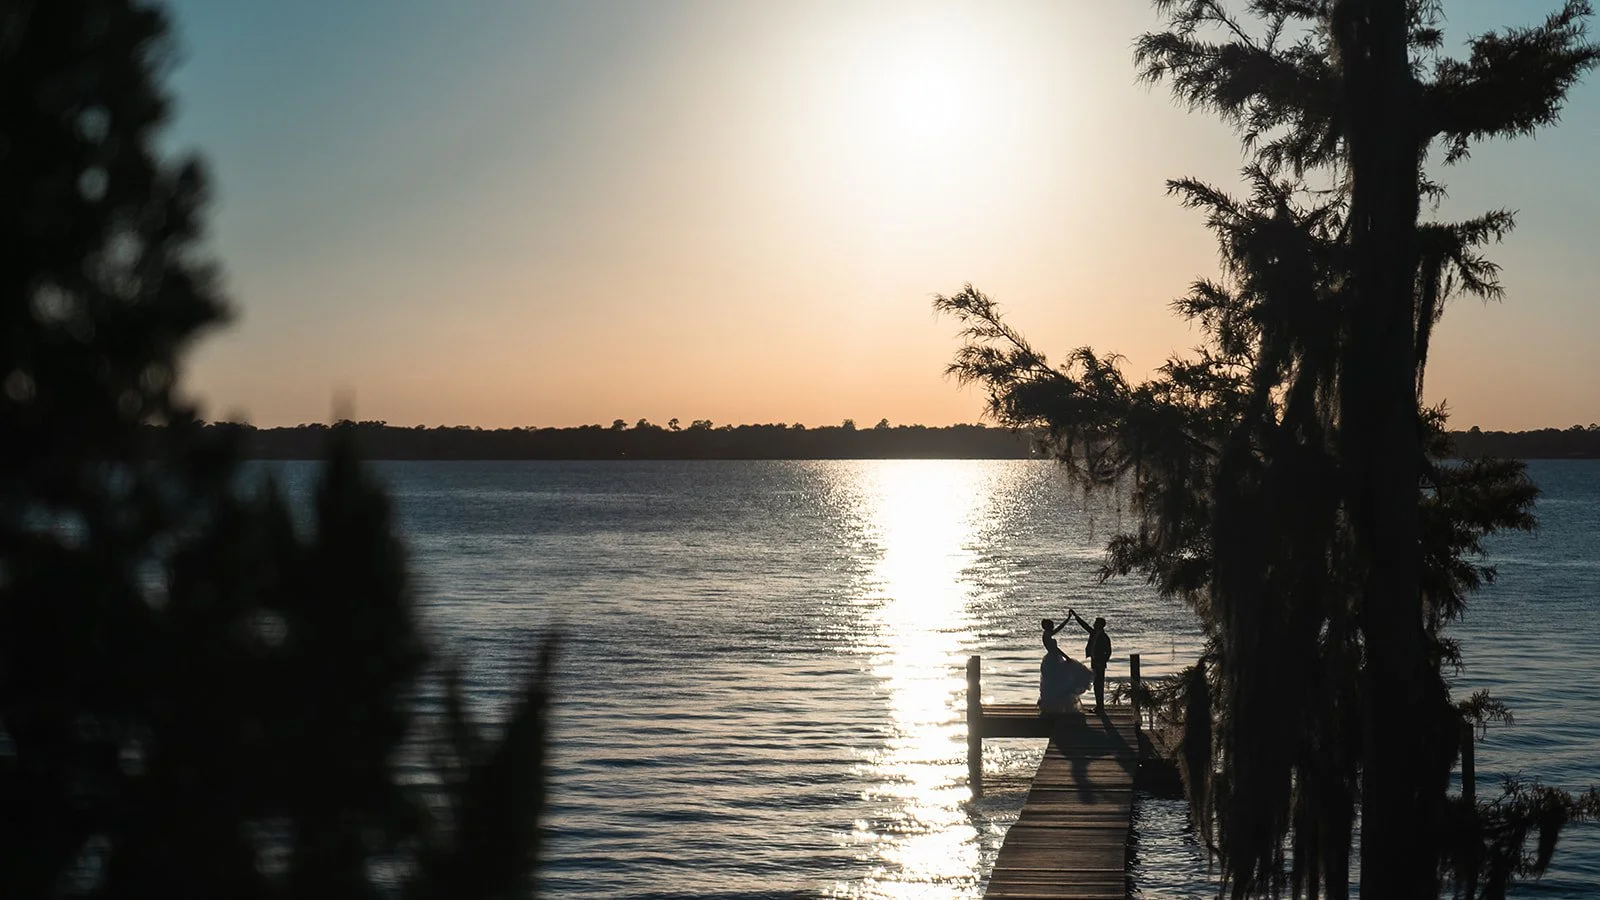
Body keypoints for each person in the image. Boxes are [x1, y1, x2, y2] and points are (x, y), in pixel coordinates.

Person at [1068, 608, 1113, 713]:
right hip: (1094, 661)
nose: (1093, 624)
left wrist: (1102, 662)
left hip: (1099, 663)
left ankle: (1100, 707)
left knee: (1099, 684)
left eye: (1096, 623)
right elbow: (1085, 626)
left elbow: (1108, 651)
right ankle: (1099, 706)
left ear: (1100, 625)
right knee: (1097, 684)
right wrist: (1076, 616)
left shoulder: (1104, 637)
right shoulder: (1094, 633)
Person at [1037, 630, 1091, 714]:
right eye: (1050, 626)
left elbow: (1059, 628)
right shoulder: (1046, 636)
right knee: (1055, 682)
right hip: (1052, 660)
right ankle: (1052, 706)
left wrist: (1067, 619)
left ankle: (1058, 706)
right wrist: (1066, 657)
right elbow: (1055, 649)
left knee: (1060, 681)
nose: (1052, 627)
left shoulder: (1048, 634)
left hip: (1056, 658)